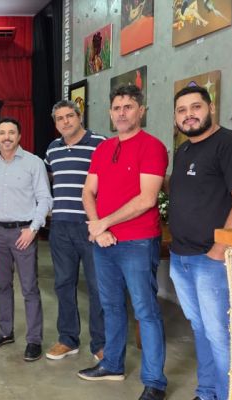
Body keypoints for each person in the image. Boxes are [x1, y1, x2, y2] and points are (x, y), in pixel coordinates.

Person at [169, 85, 232, 400]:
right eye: (181, 110)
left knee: (221, 335)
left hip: (214, 259)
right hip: (182, 257)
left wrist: (219, 251)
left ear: (211, 108)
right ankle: (207, 392)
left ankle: (226, 395)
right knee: (201, 329)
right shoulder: (184, 151)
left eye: (196, 107)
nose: (189, 115)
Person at [78, 84, 168, 400]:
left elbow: (147, 199)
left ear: (141, 111)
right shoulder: (103, 149)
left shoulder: (152, 147)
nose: (122, 113)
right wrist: (98, 228)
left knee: (145, 311)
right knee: (111, 306)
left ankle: (154, 382)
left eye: (128, 107)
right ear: (110, 112)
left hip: (138, 242)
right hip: (104, 243)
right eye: (116, 108)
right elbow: (88, 192)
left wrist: (104, 223)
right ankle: (112, 364)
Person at [0, 117, 52, 362]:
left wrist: (33, 229)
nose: (7, 137)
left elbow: (45, 199)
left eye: (11, 132)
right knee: (2, 285)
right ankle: (5, 332)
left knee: (29, 288)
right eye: (2, 133)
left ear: (19, 136)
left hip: (24, 232)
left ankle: (34, 340)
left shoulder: (34, 163)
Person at [44, 101, 106, 362]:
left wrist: (100, 223)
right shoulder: (52, 149)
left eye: (70, 116)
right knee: (63, 284)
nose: (65, 122)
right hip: (60, 226)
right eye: (60, 118)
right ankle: (68, 339)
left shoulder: (100, 143)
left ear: (80, 117)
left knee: (97, 286)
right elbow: (48, 180)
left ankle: (101, 343)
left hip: (90, 226)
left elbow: (110, 183)